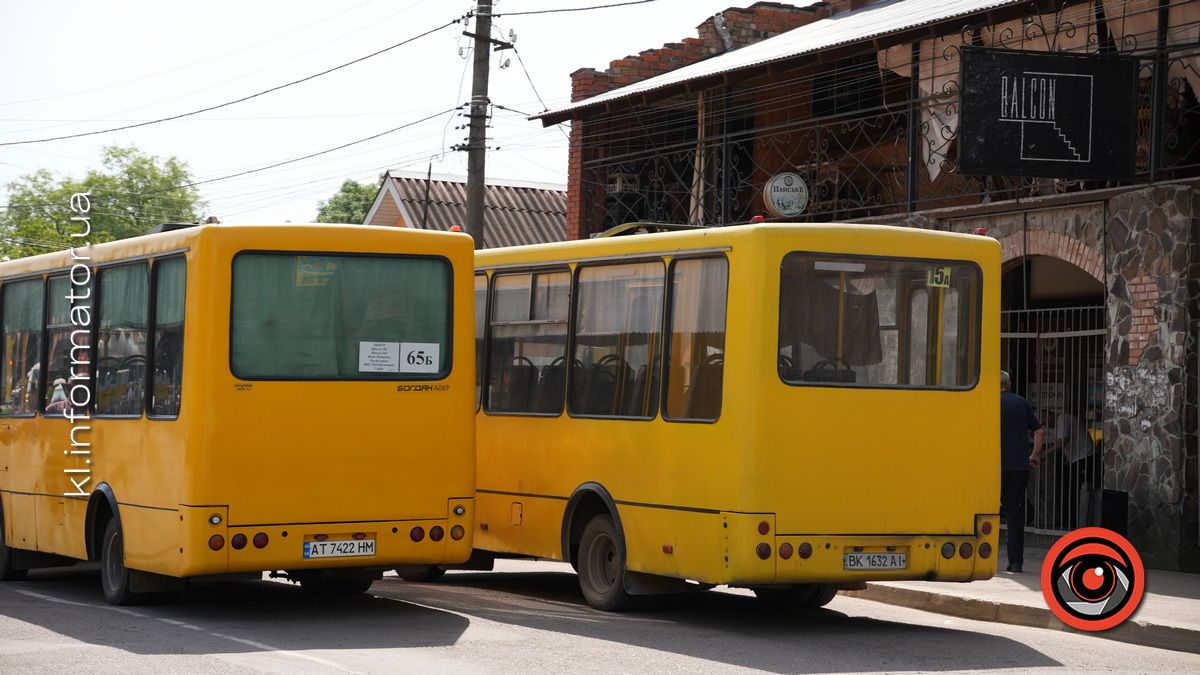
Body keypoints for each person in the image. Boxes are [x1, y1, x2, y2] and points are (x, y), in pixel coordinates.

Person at [999, 370, 1043, 573]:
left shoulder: (988, 401)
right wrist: (1035, 454)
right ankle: (1015, 562)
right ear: (1009, 384)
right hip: (1018, 467)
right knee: (1015, 515)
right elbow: (1039, 430)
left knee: (985, 512)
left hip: (993, 468)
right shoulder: (1021, 402)